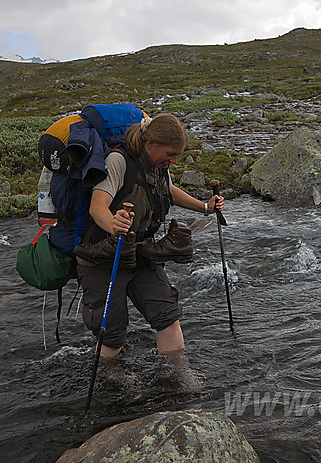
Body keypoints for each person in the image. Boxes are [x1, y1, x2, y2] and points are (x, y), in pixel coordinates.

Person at [73, 113, 223, 388]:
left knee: (168, 317)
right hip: (103, 256)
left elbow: (168, 190)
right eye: (170, 154)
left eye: (178, 155)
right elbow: (97, 206)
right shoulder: (118, 161)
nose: (174, 161)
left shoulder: (157, 164)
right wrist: (114, 224)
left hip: (140, 252)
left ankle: (178, 376)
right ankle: (114, 382)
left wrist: (204, 207)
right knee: (112, 334)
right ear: (150, 142)